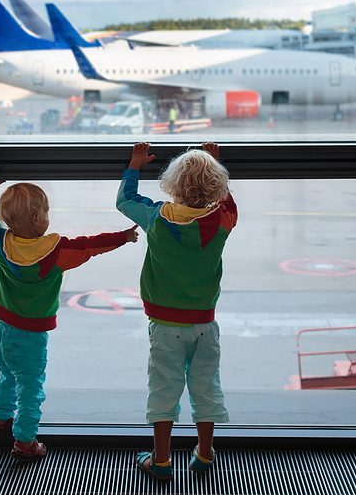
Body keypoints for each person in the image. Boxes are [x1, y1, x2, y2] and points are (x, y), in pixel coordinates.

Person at [0, 168, 138, 460]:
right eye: (46, 212)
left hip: (4, 329)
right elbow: (89, 245)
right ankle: (25, 442)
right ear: (38, 218)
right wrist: (123, 237)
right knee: (31, 388)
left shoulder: (0, 244)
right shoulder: (56, 252)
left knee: (7, 375)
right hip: (31, 334)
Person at [116, 142, 237, 480]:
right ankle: (204, 453)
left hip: (165, 322)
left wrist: (135, 165)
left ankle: (162, 460)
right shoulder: (223, 220)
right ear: (217, 184)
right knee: (205, 386)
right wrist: (212, 161)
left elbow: (124, 201)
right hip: (204, 322)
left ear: (171, 184)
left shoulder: (157, 217)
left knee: (164, 388)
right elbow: (226, 200)